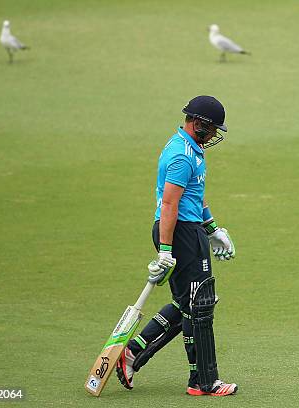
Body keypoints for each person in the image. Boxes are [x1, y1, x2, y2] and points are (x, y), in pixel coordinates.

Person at [116, 95, 238, 396]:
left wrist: (212, 229)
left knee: (191, 304)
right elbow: (170, 203)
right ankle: (203, 381)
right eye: (212, 130)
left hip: (190, 231)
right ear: (198, 124)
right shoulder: (182, 155)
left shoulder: (192, 150)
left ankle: (133, 353)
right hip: (180, 233)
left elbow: (195, 196)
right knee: (199, 306)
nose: (213, 136)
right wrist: (167, 250)